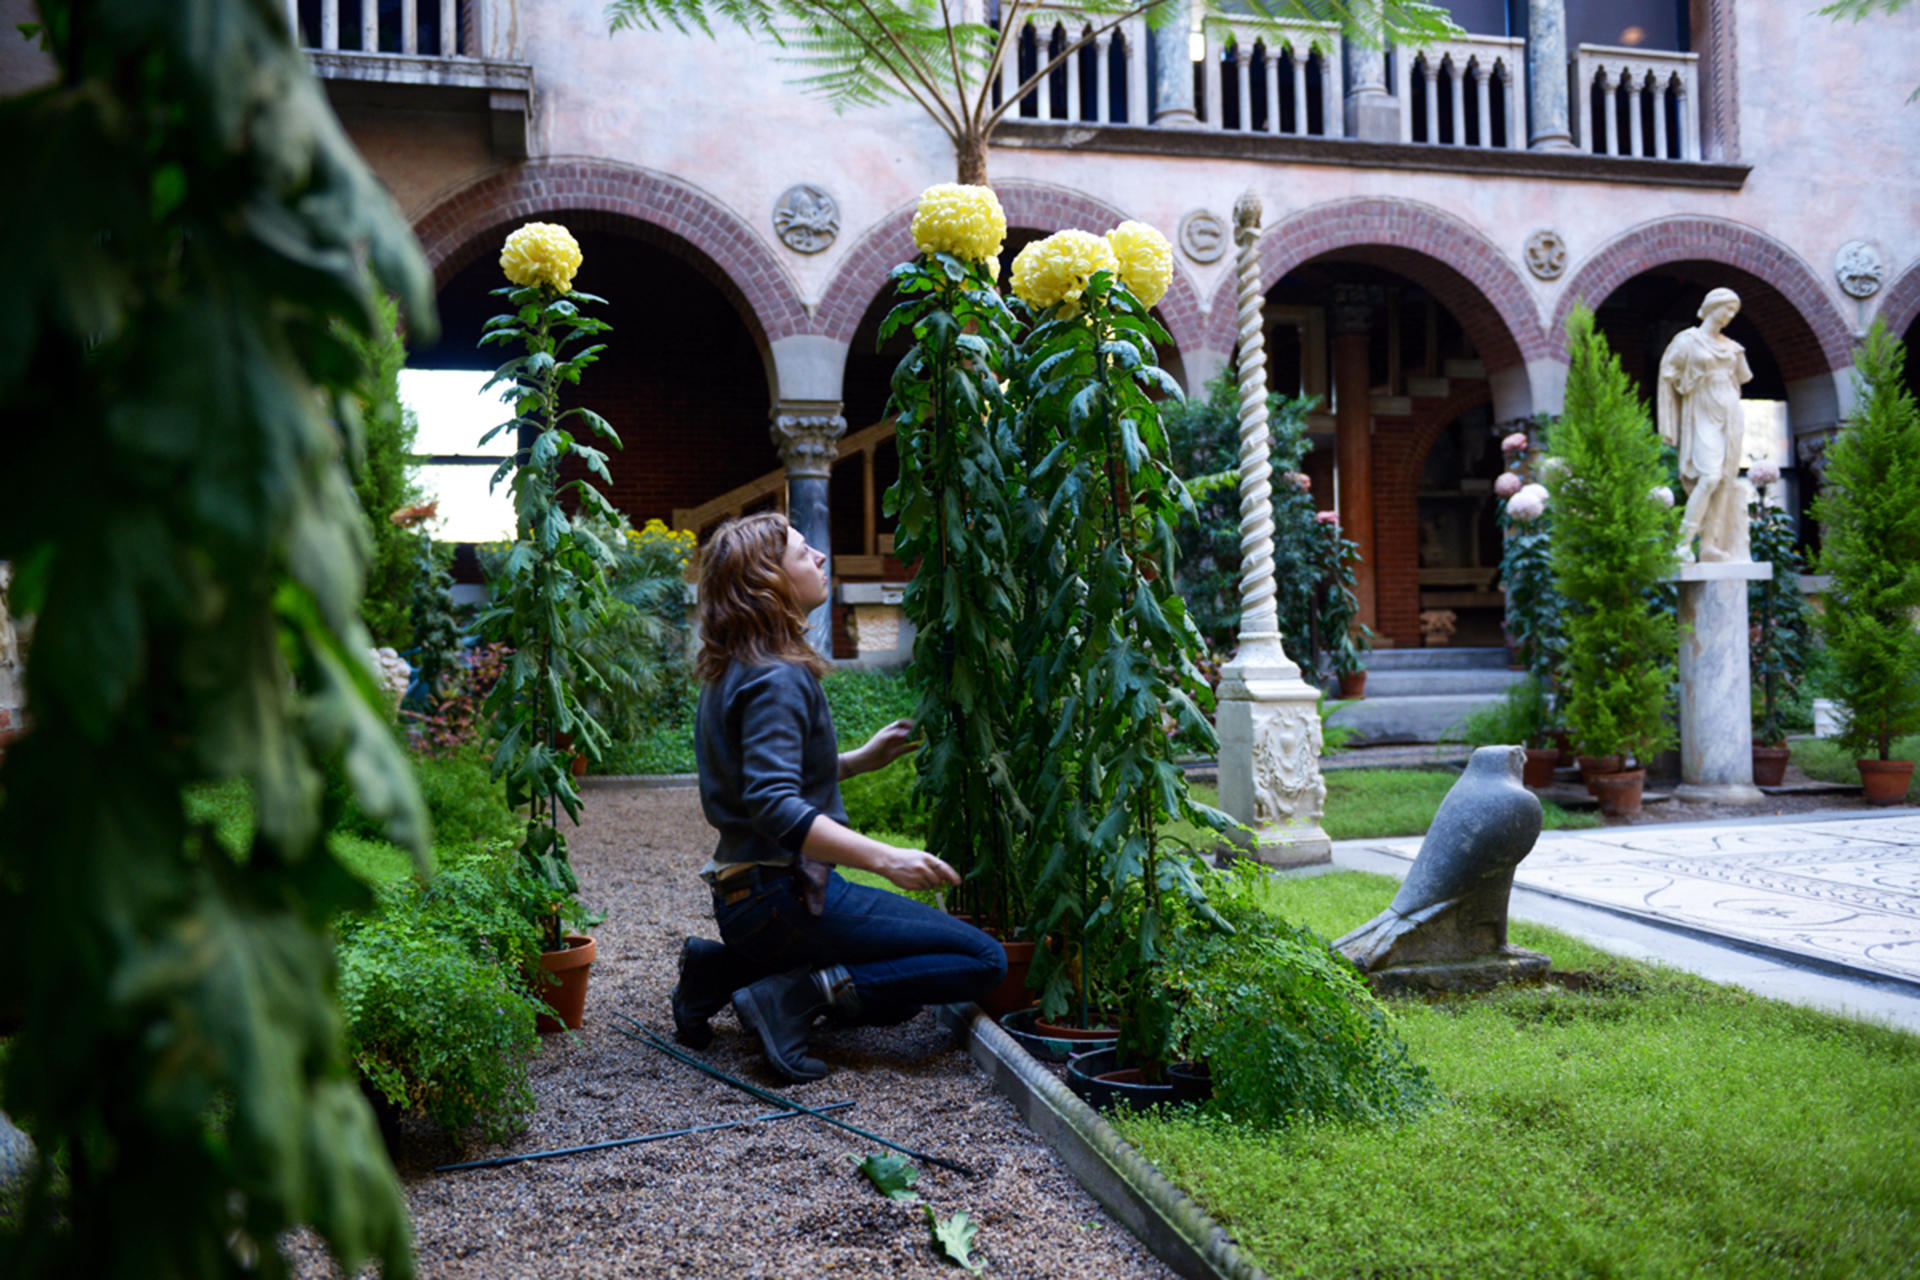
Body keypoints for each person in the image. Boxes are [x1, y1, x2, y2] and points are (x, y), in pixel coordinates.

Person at [670, 512, 1007, 1082]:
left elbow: (759, 779)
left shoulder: (734, 668)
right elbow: (773, 801)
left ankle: (720, 971)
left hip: (746, 902)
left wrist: (857, 761)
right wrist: (886, 856)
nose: (821, 558)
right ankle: (789, 1000)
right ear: (769, 579)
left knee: (895, 988)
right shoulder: (777, 676)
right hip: (783, 900)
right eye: (805, 553)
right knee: (981, 960)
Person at [1658, 287, 1755, 563]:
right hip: (1702, 411)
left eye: (1734, 312)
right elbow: (1668, 374)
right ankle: (1683, 542)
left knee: (1724, 480)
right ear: (1711, 306)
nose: (1729, 316)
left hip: (1730, 413)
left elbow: (1742, 378)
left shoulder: (1733, 348)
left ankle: (1709, 545)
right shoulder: (1688, 341)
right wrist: (1686, 382)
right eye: (1726, 308)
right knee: (1709, 476)